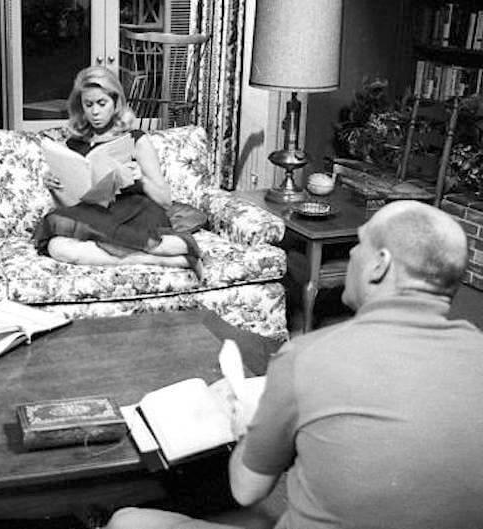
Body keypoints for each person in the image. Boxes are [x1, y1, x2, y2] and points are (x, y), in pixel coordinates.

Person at [105, 200, 483, 529]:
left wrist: (245, 422)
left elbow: (246, 488)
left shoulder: (308, 357)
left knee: (128, 521)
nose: (351, 255)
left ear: (379, 265)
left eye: (360, 244)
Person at [32, 66, 203, 279]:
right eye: (88, 105)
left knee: (170, 242)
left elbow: (165, 200)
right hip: (96, 216)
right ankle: (157, 258)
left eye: (101, 104)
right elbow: (72, 206)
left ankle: (162, 248)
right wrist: (56, 188)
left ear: (115, 104)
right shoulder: (74, 145)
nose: (95, 112)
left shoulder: (136, 139)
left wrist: (141, 178)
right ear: (81, 107)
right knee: (57, 247)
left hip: (136, 213)